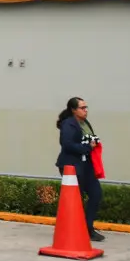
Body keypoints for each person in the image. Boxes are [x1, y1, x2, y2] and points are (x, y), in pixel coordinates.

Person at [56, 96, 104, 242]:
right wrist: (87, 147)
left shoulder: (85, 123)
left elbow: (87, 139)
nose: (85, 110)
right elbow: (67, 144)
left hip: (86, 165)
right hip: (72, 166)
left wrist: (93, 142)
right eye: (82, 108)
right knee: (76, 200)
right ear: (73, 110)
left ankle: (88, 227)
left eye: (86, 107)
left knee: (96, 194)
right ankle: (76, 229)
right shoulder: (68, 124)